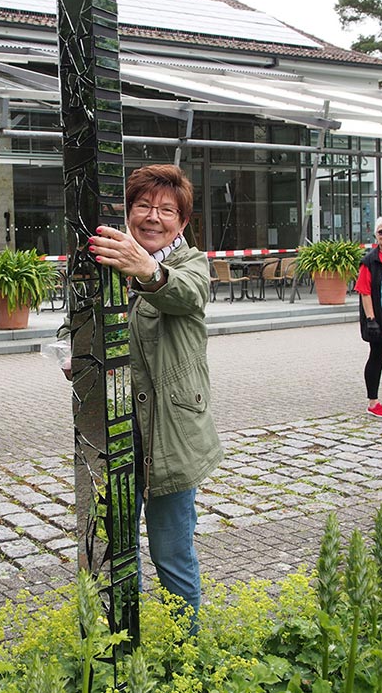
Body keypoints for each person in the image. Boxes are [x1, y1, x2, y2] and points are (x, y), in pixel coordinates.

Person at [86, 164, 223, 620]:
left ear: (182, 223)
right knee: (118, 553)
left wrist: (145, 268)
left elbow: (185, 295)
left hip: (170, 437)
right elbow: (85, 325)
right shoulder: (107, 265)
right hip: (118, 433)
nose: (152, 216)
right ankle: (127, 644)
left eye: (166, 210)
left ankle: (185, 652)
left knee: (172, 554)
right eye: (143, 206)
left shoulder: (191, 265)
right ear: (128, 213)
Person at [355, 215, 382, 418]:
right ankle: (373, 402)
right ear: (376, 236)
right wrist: (371, 320)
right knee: (377, 357)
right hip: (379, 318)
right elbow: (364, 291)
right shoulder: (370, 261)